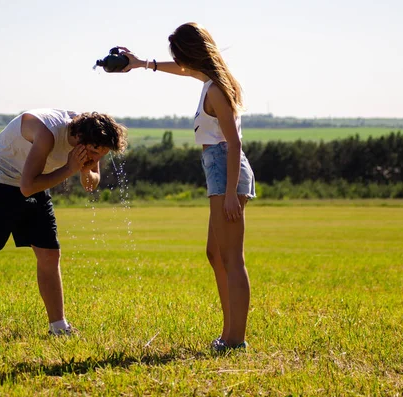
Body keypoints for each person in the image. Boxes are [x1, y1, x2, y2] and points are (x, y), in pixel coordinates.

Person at [120, 22, 255, 351]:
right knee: (216, 254)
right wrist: (142, 64)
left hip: (226, 169)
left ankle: (235, 339)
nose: (180, 63)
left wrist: (229, 196)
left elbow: (234, 143)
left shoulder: (215, 89)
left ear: (191, 54)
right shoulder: (211, 80)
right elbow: (182, 71)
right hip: (219, 168)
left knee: (232, 258)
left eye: (180, 56)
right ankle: (228, 333)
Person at [0, 109, 127, 340]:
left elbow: (91, 183)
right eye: (94, 152)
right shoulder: (48, 133)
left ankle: (58, 327)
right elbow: (26, 187)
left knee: (50, 254)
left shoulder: (92, 141)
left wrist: (85, 169)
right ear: (79, 139)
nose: (96, 157)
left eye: (101, 154)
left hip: (35, 180)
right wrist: (69, 169)